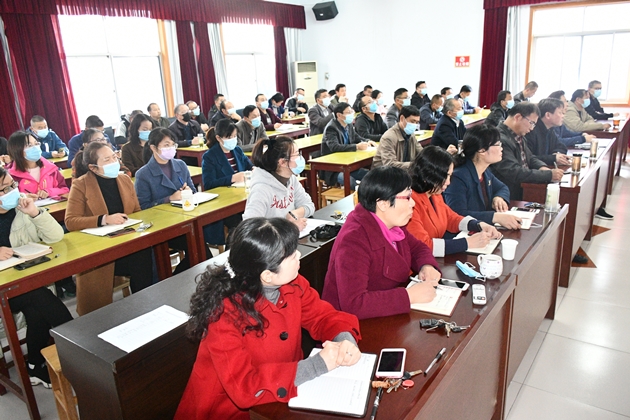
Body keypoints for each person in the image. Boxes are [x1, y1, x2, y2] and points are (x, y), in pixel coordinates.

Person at [175, 217, 361, 420]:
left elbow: (323, 316)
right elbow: (245, 388)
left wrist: (344, 339)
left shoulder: (293, 283)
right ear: (267, 275)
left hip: (281, 397)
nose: (298, 254)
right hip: (227, 411)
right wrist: (317, 365)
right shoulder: (223, 314)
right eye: (291, 254)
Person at [321, 166, 441, 320]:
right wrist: (407, 296)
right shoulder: (353, 240)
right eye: (407, 197)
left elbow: (417, 248)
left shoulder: (392, 224)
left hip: (383, 315)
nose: (412, 203)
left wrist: (426, 266)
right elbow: (354, 303)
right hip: (348, 325)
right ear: (383, 203)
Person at [0, 167, 73, 388]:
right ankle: (77, 345)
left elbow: (56, 236)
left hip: (24, 278)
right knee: (39, 298)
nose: (12, 192)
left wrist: (35, 213)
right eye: (4, 189)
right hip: (5, 289)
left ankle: (34, 365)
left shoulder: (21, 206)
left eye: (12, 185)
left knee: (36, 306)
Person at [65, 142, 153, 293]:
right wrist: (104, 219)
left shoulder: (124, 180)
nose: (114, 162)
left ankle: (144, 299)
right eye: (107, 160)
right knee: (138, 259)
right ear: (93, 167)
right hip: (101, 247)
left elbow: (137, 211)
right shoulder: (81, 185)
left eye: (114, 157)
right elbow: (70, 221)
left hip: (127, 238)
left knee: (143, 253)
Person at [407, 146, 501, 257]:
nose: (448, 182)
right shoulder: (410, 203)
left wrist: (478, 225)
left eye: (450, 176)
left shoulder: (434, 193)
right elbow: (424, 246)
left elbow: (451, 218)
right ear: (429, 175)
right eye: (445, 176)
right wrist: (467, 243)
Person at [134, 128, 197, 272]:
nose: (171, 148)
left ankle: (180, 276)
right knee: (197, 248)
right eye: (166, 145)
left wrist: (188, 191)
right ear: (153, 148)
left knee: (199, 247)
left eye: (173, 145)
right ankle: (177, 279)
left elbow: (193, 191)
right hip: (162, 226)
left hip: (185, 220)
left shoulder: (180, 165)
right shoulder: (143, 174)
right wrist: (169, 198)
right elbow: (142, 208)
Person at [444, 125, 522, 229]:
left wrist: (498, 197)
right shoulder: (458, 177)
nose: (501, 148)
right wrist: (495, 217)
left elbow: (502, 187)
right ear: (482, 151)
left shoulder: (485, 171)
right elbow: (458, 214)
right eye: (498, 144)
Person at [490, 102, 563, 200]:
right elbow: (514, 171)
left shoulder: (518, 134)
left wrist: (542, 167)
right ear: (518, 117)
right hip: (507, 195)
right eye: (531, 123)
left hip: (523, 188)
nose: (532, 128)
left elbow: (530, 157)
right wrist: (548, 175)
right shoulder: (499, 139)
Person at [243, 137, 314, 231]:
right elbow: (250, 229)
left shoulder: (291, 179)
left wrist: (295, 214)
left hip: (288, 237)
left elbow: (309, 205)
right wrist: (290, 228)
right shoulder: (261, 190)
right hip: (273, 239)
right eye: (297, 154)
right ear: (282, 162)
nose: (300, 158)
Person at [320, 103, 374, 189]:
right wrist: (356, 147)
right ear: (339, 115)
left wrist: (367, 141)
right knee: (350, 182)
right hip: (335, 168)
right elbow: (334, 147)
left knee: (370, 175)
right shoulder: (331, 128)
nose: (351, 114)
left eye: (351, 111)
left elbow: (356, 137)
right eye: (348, 112)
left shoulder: (348, 124)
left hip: (348, 163)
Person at [7, 131, 69, 200]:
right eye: (29, 145)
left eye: (36, 144)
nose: (35, 148)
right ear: (17, 150)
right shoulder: (10, 175)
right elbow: (7, 199)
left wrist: (49, 192)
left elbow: (64, 189)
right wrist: (24, 197)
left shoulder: (51, 168)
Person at [372, 105, 422, 169]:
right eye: (412, 121)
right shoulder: (389, 137)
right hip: (384, 172)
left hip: (403, 170)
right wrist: (414, 165)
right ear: (402, 118)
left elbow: (421, 152)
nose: (414, 125)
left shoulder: (411, 135)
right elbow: (390, 164)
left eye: (417, 122)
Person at [524, 98, 570, 166]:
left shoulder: (550, 129)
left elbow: (561, 146)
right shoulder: (530, 130)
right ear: (548, 115)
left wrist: (557, 154)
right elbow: (528, 158)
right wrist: (553, 158)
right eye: (560, 113)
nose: (563, 116)